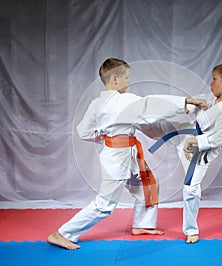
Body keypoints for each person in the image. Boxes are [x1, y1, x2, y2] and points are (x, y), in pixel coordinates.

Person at [47, 57, 200, 250]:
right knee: (104, 205)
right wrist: (184, 102)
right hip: (118, 160)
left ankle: (142, 224)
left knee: (148, 184)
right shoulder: (124, 100)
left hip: (123, 154)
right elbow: (150, 104)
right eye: (126, 78)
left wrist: (103, 135)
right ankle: (62, 233)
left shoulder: (97, 103)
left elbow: (84, 131)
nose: (128, 82)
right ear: (115, 79)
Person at [182, 63, 222, 244]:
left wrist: (194, 141)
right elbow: (198, 106)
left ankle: (191, 230)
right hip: (188, 135)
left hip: (201, 151)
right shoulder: (213, 98)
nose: (210, 84)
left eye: (214, 79)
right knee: (163, 116)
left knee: (190, 188)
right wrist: (191, 107)